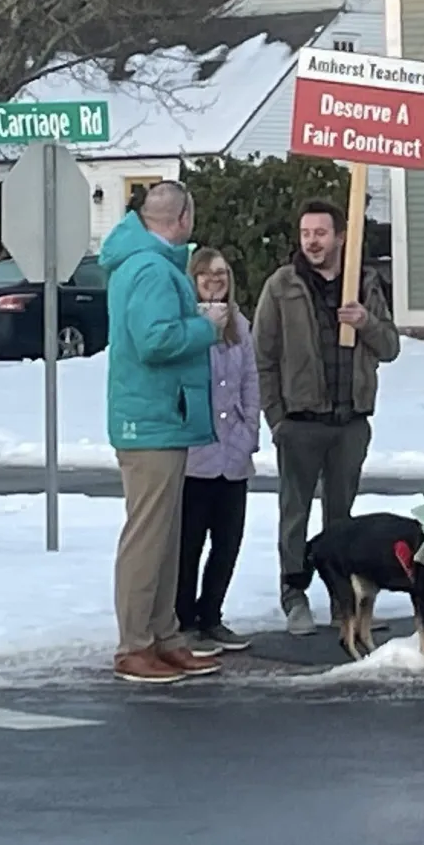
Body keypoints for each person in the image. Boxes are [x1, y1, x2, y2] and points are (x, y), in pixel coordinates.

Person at [255, 198, 400, 635]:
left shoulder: (364, 283)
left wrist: (366, 322)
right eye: (305, 234)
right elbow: (263, 356)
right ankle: (294, 592)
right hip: (300, 422)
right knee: (294, 515)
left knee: (342, 519)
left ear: (340, 236)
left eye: (321, 233)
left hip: (349, 420)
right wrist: (277, 418)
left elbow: (390, 346)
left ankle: (342, 600)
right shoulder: (282, 286)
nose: (312, 242)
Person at [100, 180, 225, 684]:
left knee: (166, 536)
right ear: (182, 218)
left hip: (161, 417)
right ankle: (135, 646)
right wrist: (205, 327)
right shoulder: (150, 269)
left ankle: (164, 637)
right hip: (150, 420)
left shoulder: (149, 264)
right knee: (148, 537)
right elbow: (153, 341)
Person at [177, 247, 259, 652]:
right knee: (189, 543)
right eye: (207, 275)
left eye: (221, 274)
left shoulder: (239, 325)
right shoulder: (187, 324)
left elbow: (250, 382)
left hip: (234, 455)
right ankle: (184, 620)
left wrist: (249, 434)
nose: (215, 281)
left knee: (228, 541)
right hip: (196, 455)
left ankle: (212, 615)